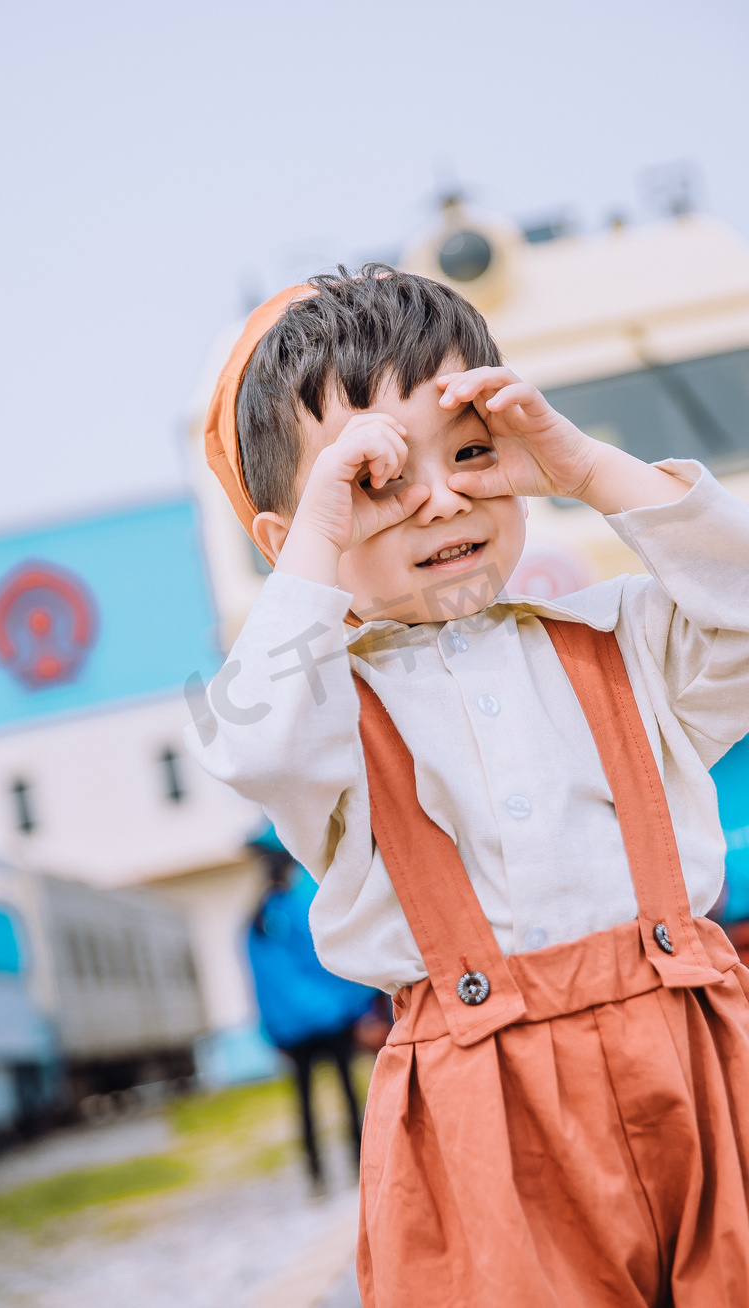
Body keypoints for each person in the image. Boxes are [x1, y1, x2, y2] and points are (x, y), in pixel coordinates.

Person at [185, 267, 749, 1306]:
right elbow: (248, 743)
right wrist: (309, 543)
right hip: (485, 1117)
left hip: (701, 1066)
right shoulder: (325, 716)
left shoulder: (618, 636)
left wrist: (582, 466)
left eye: (472, 452)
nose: (440, 498)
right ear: (293, 542)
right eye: (371, 483)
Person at [246, 825, 374, 1190]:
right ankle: (360, 1166)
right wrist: (361, 1006)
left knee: (305, 1105)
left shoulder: (259, 914)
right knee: (349, 1095)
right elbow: (338, 958)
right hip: (332, 1018)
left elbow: (260, 981)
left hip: (293, 1029)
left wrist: (271, 1030)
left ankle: (317, 1176)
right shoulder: (309, 899)